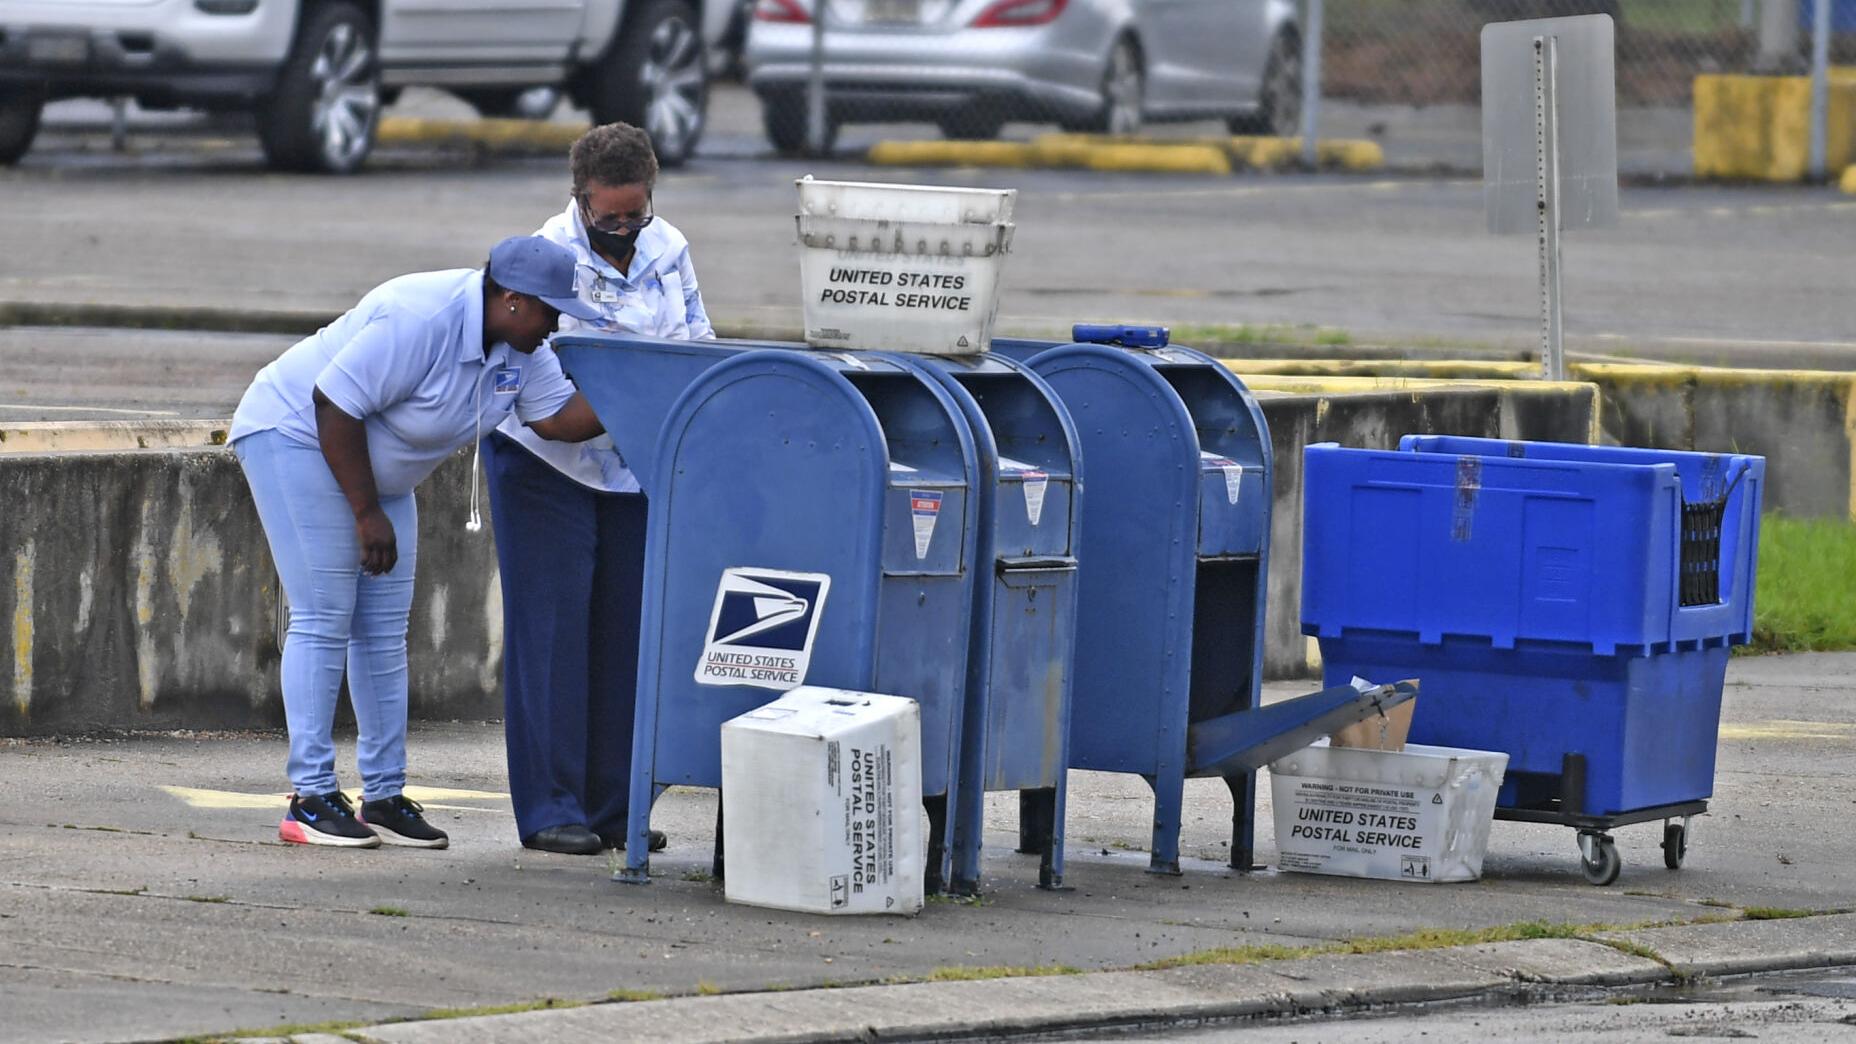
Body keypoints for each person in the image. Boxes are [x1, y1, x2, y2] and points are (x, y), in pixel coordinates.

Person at [230, 235, 604, 849]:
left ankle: (382, 793)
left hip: (376, 475)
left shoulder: (519, 345)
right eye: (550, 311)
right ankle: (310, 797)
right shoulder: (420, 316)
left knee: (382, 631)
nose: (556, 325)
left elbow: (556, 419)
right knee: (325, 615)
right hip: (296, 435)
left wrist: (638, 395)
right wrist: (364, 510)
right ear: (511, 299)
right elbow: (333, 403)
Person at [484, 122, 713, 856]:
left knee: (627, 637)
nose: (621, 229)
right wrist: (641, 393)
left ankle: (615, 808)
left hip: (634, 465)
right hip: (547, 463)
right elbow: (549, 401)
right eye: (606, 216)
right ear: (578, 199)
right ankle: (551, 808)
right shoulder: (546, 257)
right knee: (552, 637)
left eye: (633, 214)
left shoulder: (670, 248)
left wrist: (656, 403)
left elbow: (697, 345)